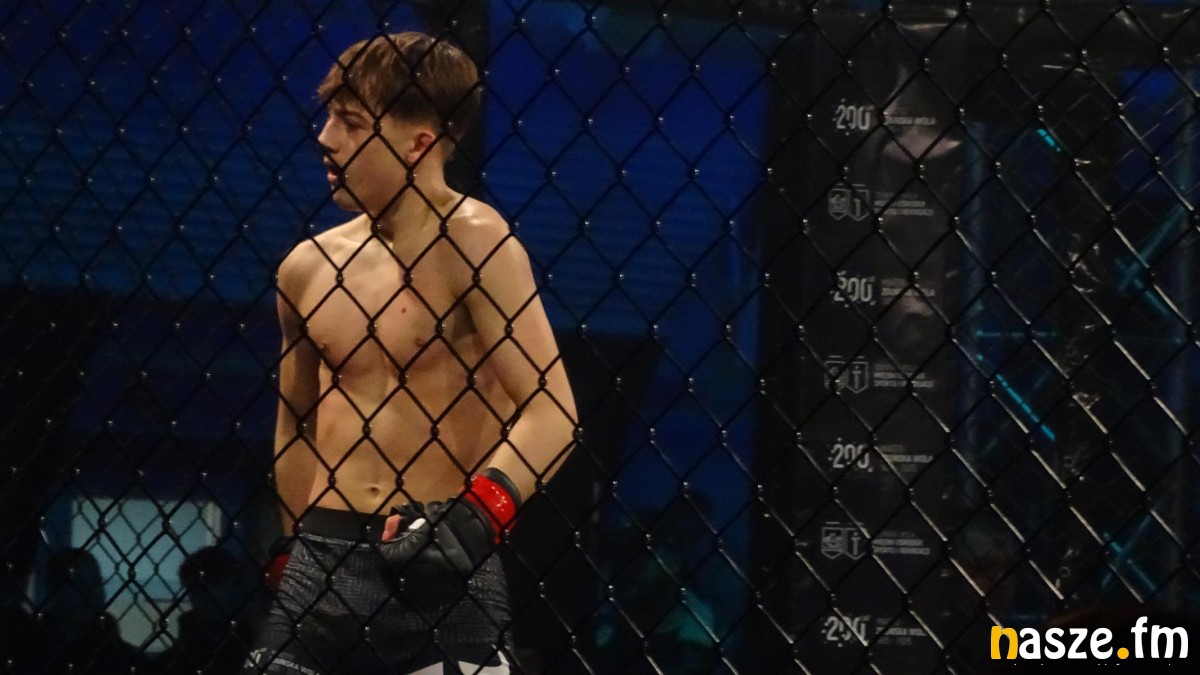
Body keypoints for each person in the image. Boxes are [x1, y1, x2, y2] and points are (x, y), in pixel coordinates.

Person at [245, 31, 577, 674]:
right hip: (322, 557)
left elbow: (552, 411)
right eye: (329, 117)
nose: (325, 138)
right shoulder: (307, 268)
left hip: (441, 561)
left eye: (350, 123)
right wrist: (293, 547)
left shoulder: (476, 244)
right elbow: (297, 423)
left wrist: (476, 517)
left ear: (418, 143)